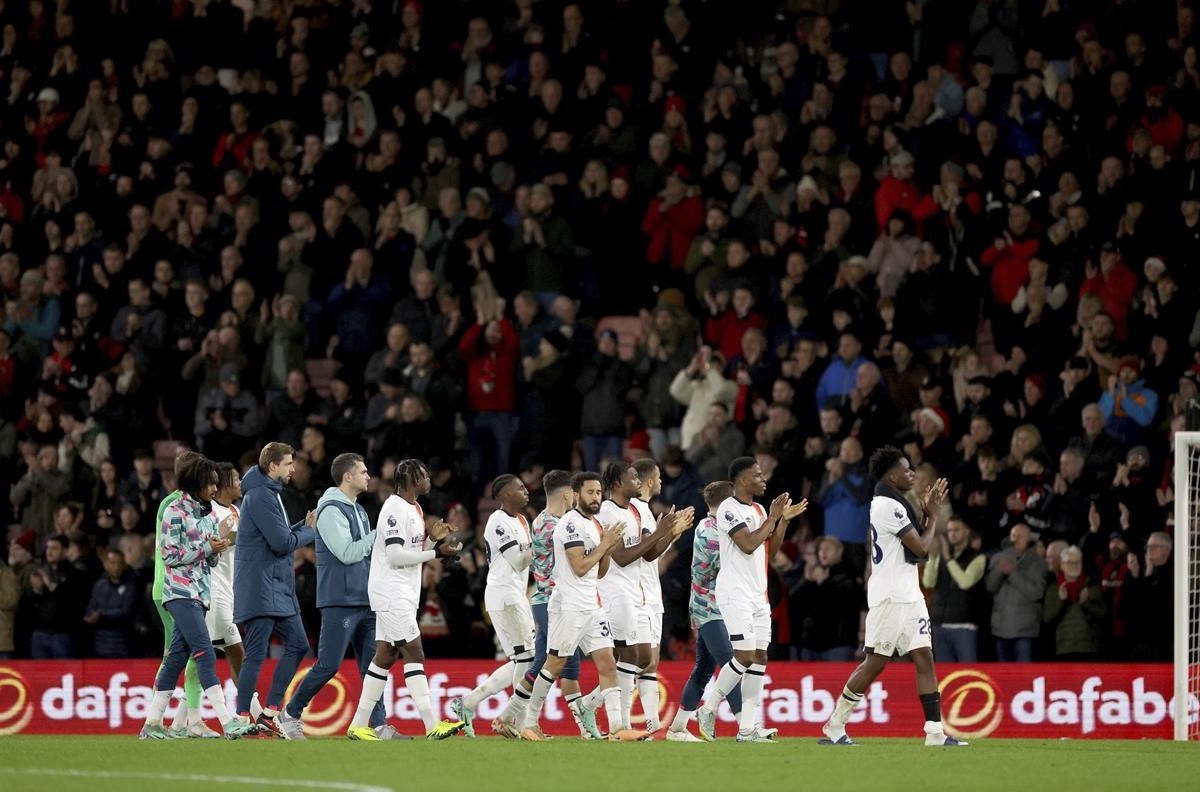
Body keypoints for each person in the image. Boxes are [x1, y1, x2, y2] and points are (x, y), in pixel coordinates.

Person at [820, 445, 964, 747]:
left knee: (924, 656)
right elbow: (922, 548)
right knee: (875, 663)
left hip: (909, 594)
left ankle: (935, 731)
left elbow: (915, 547)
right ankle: (835, 725)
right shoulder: (887, 505)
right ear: (890, 474)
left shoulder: (896, 503)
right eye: (906, 468)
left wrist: (926, 515)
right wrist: (933, 516)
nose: (912, 472)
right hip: (890, 597)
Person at [281, 453, 406, 740]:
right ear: (347, 476)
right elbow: (348, 553)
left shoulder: (358, 510)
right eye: (362, 472)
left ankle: (377, 725)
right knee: (328, 665)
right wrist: (379, 534)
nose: (368, 476)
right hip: (340, 600)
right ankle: (290, 713)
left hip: (364, 598)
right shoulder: (330, 511)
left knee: (372, 666)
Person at [345, 459, 466, 740]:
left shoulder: (415, 508)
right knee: (414, 651)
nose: (428, 479)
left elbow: (412, 550)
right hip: (390, 591)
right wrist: (436, 554)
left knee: (385, 656)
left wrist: (434, 542)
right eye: (424, 475)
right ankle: (431, 724)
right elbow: (396, 556)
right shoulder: (394, 508)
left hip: (404, 592)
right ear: (412, 479)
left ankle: (357, 725)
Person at [138, 455, 254, 739]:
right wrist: (207, 547)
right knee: (204, 650)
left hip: (200, 593)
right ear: (197, 483)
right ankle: (227, 721)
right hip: (179, 593)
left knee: (177, 658)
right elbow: (170, 556)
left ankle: (152, 724)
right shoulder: (174, 511)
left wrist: (218, 544)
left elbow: (210, 560)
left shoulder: (205, 514)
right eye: (211, 484)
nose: (215, 489)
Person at [696, 456, 804, 742]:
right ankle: (708, 708)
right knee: (743, 656)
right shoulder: (729, 509)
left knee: (759, 657)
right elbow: (747, 544)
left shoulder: (757, 509)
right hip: (735, 592)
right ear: (743, 480)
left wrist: (780, 521)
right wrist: (772, 516)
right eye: (758, 475)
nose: (763, 478)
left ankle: (747, 729)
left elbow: (770, 551)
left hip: (758, 593)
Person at [519, 471, 624, 741]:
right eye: (590, 492)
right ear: (576, 494)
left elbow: (599, 572)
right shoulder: (569, 524)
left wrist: (608, 548)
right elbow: (578, 567)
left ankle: (618, 729)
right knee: (554, 664)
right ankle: (529, 722)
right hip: (568, 605)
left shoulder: (597, 525)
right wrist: (604, 546)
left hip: (592, 604)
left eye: (599, 492)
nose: (596, 497)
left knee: (609, 665)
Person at [491, 470, 590, 739]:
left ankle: (511, 717)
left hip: (551, 600)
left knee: (547, 663)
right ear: (569, 494)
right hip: (551, 601)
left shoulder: (546, 521)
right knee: (562, 662)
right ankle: (525, 720)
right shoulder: (553, 525)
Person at [597, 462, 688, 735]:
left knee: (639, 656)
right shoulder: (607, 512)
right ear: (616, 483)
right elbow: (622, 557)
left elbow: (649, 554)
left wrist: (669, 534)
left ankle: (605, 711)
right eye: (632, 477)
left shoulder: (638, 511)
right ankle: (620, 722)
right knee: (635, 656)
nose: (638, 481)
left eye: (638, 477)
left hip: (636, 591)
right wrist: (663, 533)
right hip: (614, 589)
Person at [233, 442, 318, 735]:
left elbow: (278, 535)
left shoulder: (268, 493)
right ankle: (241, 717)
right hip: (260, 586)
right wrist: (309, 532)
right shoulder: (259, 496)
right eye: (288, 464)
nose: (293, 469)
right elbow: (281, 544)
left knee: (299, 644)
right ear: (272, 467)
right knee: (255, 654)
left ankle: (269, 711)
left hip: (275, 587)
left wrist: (300, 527)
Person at [452, 475, 535, 736]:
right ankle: (515, 721)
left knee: (523, 658)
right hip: (503, 595)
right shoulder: (497, 522)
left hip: (516, 594)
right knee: (528, 658)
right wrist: (544, 544)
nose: (526, 491)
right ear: (505, 495)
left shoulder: (522, 521)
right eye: (520, 488)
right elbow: (519, 560)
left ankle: (468, 703)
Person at [666, 480, 744, 742]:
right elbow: (714, 569)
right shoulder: (711, 530)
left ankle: (677, 728)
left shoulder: (719, 528)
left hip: (719, 606)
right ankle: (747, 727)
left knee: (703, 669)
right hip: (709, 607)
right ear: (728, 502)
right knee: (731, 663)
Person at [150, 450, 209, 737]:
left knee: (179, 653)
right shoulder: (175, 505)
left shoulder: (178, 504)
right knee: (189, 653)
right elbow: (174, 552)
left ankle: (168, 722)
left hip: (180, 587)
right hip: (174, 587)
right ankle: (183, 721)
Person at [922, 515, 986, 662]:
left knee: (967, 674)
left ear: (966, 532)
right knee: (945, 676)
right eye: (950, 530)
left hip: (964, 627)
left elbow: (965, 582)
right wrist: (932, 557)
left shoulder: (978, 558)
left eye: (957, 530)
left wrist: (948, 558)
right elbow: (928, 583)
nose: (952, 534)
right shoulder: (942, 556)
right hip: (940, 625)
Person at [985, 522, 1048, 662]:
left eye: (1020, 536)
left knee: (1023, 675)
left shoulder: (1039, 563)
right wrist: (998, 572)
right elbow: (990, 587)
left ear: (1029, 539)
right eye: (1014, 535)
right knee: (1005, 676)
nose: (1016, 539)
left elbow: (1036, 593)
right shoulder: (998, 558)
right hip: (1000, 628)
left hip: (1025, 630)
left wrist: (1013, 574)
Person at [205, 464, 244, 685]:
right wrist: (249, 537)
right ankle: (252, 712)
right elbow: (214, 543)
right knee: (237, 653)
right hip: (214, 590)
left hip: (230, 592)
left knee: (201, 658)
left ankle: (182, 717)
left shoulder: (235, 511)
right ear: (223, 483)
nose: (240, 483)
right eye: (236, 478)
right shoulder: (209, 510)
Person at [84, 547, 139, 658]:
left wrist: (101, 615)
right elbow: (91, 608)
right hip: (100, 644)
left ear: (124, 565)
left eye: (120, 563)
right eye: (113, 563)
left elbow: (126, 612)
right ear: (106, 565)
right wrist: (89, 616)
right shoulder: (100, 585)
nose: (117, 567)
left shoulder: (131, 586)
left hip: (122, 643)